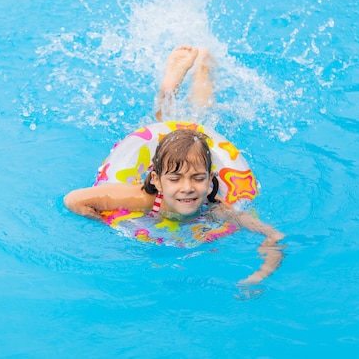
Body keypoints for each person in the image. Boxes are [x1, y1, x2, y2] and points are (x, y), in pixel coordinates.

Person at [64, 45, 284, 284]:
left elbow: (272, 234)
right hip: (160, 154)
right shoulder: (141, 198)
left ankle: (203, 67)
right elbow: (73, 200)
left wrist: (259, 275)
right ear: (156, 180)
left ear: (211, 180)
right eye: (175, 179)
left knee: (200, 120)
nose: (187, 187)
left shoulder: (215, 207)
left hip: (183, 154)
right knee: (171, 120)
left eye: (198, 178)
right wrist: (107, 221)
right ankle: (172, 84)